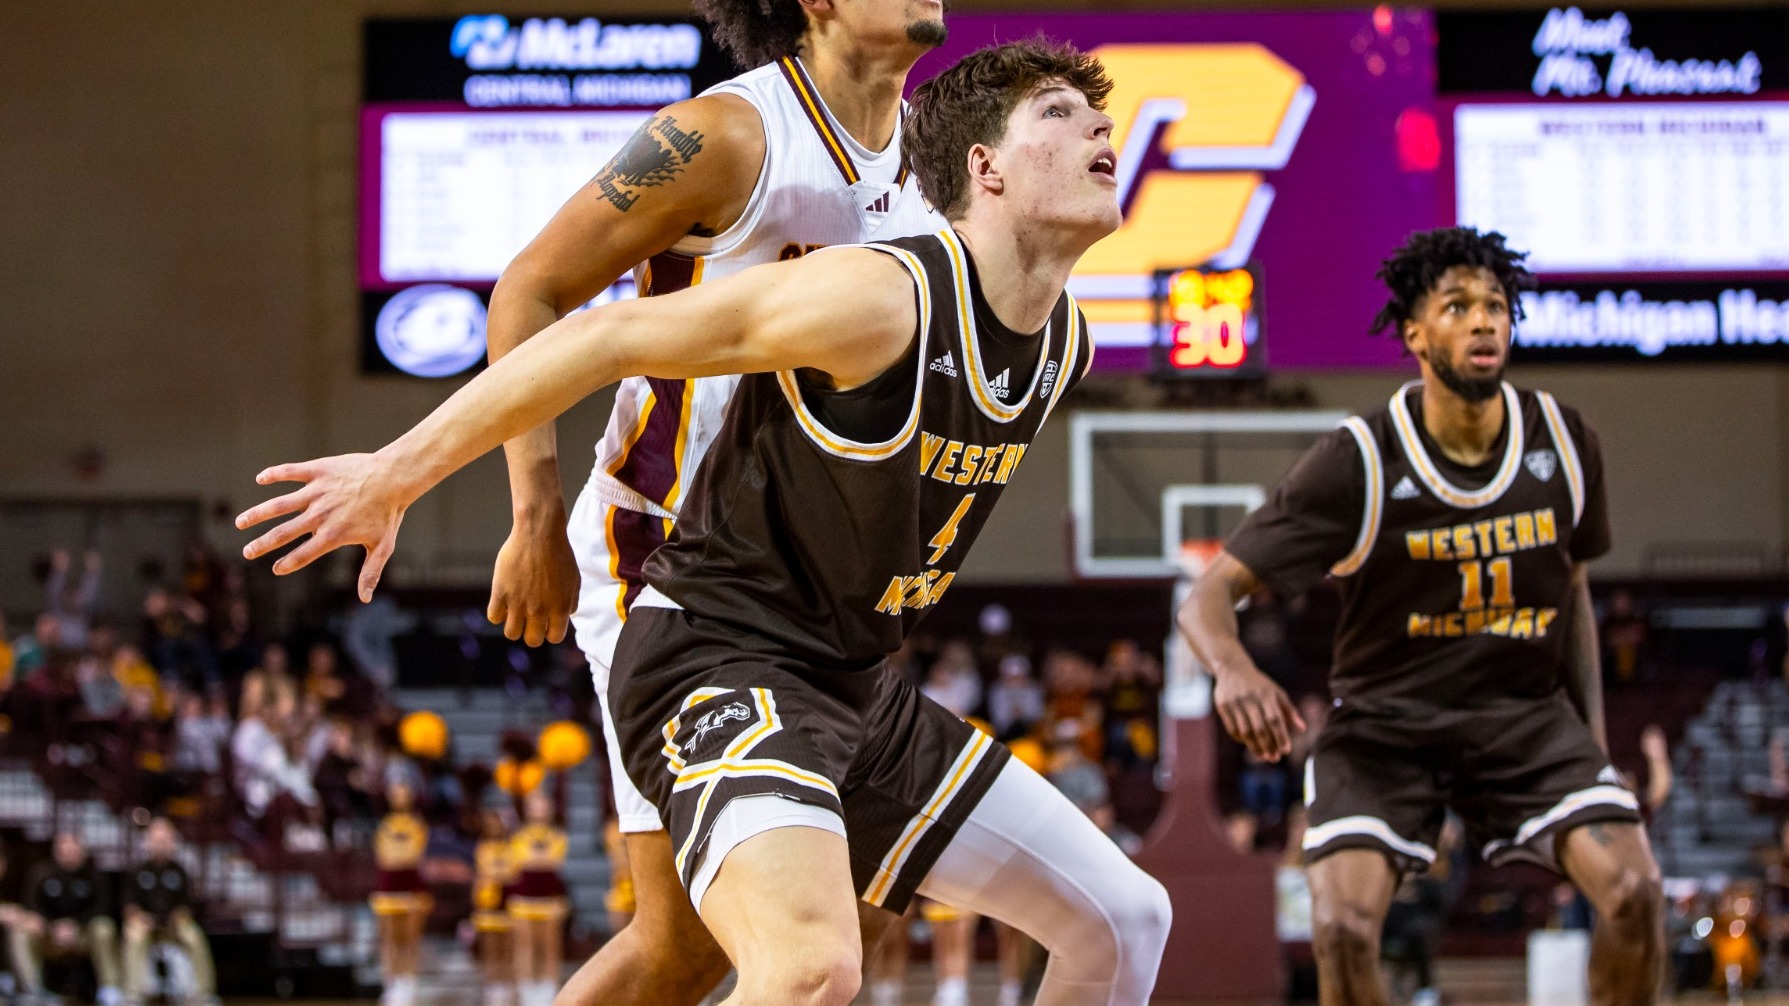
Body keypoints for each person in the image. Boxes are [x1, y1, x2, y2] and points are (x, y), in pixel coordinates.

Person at [236, 37, 1170, 1006]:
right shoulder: (872, 289)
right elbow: (597, 330)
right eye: (1059, 113)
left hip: (853, 684)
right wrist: (397, 474)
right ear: (986, 167)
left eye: (1093, 112)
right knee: (808, 964)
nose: (1101, 125)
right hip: (718, 649)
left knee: (1124, 917)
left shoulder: (1063, 342)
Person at [476, 0, 951, 998]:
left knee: (696, 946)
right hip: (665, 556)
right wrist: (530, 514)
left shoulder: (935, 155)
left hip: (795, 580)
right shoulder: (725, 134)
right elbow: (528, 290)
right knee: (702, 940)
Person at [1179, 226, 1664, 1006]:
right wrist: (1232, 668)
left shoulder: (1566, 443)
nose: (1484, 322)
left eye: (1496, 306)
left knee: (1636, 895)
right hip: (1384, 730)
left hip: (1523, 723)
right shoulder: (1360, 459)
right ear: (1413, 332)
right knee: (1337, 931)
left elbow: (1572, 599)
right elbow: (1205, 596)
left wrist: (1593, 752)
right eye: (1457, 306)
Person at [11, 832, 122, 1006]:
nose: (69, 852)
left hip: (82, 935)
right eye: (64, 849)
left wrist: (75, 925)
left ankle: (110, 988)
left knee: (104, 927)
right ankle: (31, 989)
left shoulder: (94, 875)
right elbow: (31, 906)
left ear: (81, 851)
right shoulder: (41, 873)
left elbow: (103, 908)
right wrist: (50, 925)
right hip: (49, 936)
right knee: (21, 931)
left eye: (73, 849)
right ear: (56, 851)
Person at [122, 818, 217, 1006]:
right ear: (148, 842)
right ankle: (133, 994)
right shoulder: (137, 871)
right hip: (146, 923)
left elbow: (187, 906)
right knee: (134, 934)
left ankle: (203, 993)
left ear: (172, 842)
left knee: (193, 935)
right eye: (156, 840)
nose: (160, 845)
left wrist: (177, 918)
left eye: (164, 841)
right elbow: (129, 907)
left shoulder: (180, 871)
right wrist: (142, 918)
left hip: (174, 923)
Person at [369, 782, 431, 1006]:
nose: (399, 799)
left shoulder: (416, 825)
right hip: (388, 887)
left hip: (411, 887)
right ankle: (391, 983)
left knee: (410, 939)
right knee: (389, 939)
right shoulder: (385, 826)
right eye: (396, 794)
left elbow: (414, 855)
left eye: (404, 795)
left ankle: (408, 983)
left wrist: (399, 857)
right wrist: (398, 857)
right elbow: (383, 857)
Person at [506, 791, 568, 1006]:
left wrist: (535, 860)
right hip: (524, 899)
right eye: (534, 805)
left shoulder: (557, 835)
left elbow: (553, 861)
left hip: (549, 898)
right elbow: (521, 863)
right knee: (526, 946)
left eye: (543, 805)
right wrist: (538, 860)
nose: (539, 810)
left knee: (549, 947)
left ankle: (548, 993)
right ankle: (526, 993)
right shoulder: (519, 836)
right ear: (526, 809)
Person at [469, 809, 517, 1006]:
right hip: (487, 901)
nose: (494, 827)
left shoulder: (512, 847)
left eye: (497, 823)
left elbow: (512, 873)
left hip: (507, 902)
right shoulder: (481, 848)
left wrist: (496, 875)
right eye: (490, 823)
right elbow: (481, 873)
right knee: (490, 949)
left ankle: (508, 987)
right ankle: (492, 987)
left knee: (507, 948)